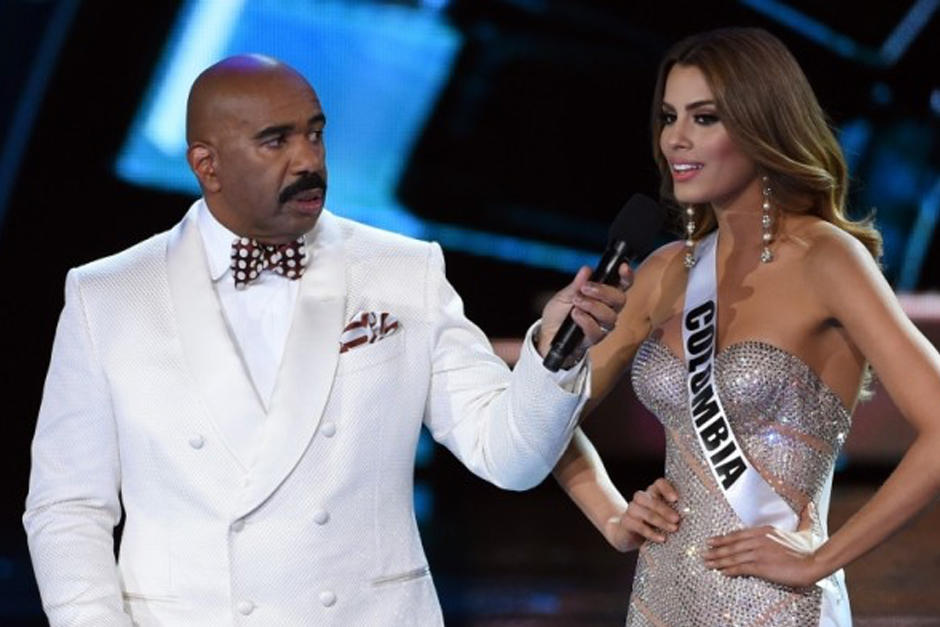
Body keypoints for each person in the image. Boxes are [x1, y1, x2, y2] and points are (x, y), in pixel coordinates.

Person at [23, 54, 632, 626]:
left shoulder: (401, 271)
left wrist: (556, 351)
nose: (308, 160)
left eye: (315, 133)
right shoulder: (108, 294)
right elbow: (67, 508)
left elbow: (511, 458)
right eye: (276, 141)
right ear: (206, 164)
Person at [553, 27, 940, 626]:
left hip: (772, 601)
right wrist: (611, 515)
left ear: (763, 127)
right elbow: (544, 417)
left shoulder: (826, 257)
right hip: (661, 596)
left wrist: (821, 560)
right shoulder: (663, 272)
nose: (675, 139)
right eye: (669, 116)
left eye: (704, 118)